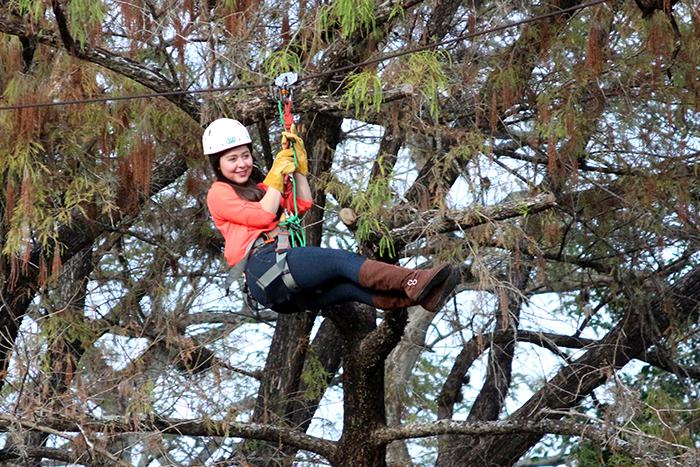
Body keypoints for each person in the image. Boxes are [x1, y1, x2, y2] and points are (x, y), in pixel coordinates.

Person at [204, 118, 457, 314]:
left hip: (280, 288)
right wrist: (274, 177)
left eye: (246, 156)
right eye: (232, 159)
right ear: (218, 164)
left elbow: (301, 203)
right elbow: (262, 216)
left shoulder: (261, 190)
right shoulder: (219, 193)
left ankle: (426, 296)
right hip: (264, 266)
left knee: (349, 288)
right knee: (341, 262)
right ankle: (414, 280)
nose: (242, 164)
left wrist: (299, 169)